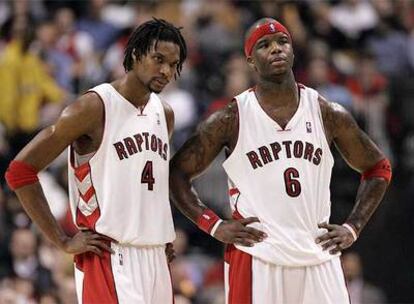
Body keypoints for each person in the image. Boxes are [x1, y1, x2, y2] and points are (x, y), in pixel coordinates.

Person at [170, 18, 391, 303]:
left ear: (293, 50)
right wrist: (213, 225)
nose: (276, 49)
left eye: (282, 42)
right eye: (264, 45)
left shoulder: (327, 112)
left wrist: (352, 227)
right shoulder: (231, 118)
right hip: (258, 255)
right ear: (251, 61)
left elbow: (378, 168)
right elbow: (177, 173)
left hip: (317, 255)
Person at [5, 18, 187, 303]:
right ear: (136, 54)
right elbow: (20, 172)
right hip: (109, 257)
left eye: (173, 64)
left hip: (156, 257)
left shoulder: (164, 114)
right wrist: (62, 240)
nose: (166, 70)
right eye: (158, 59)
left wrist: (157, 232)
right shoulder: (94, 106)